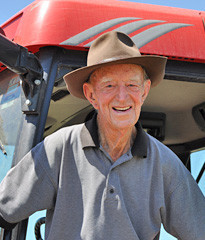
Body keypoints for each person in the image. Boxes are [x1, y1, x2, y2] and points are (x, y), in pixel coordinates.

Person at [0, 31, 205, 240]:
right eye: (109, 85)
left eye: (132, 85)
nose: (123, 97)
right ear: (91, 95)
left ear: (144, 91)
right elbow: (4, 210)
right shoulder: (59, 149)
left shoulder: (165, 164)